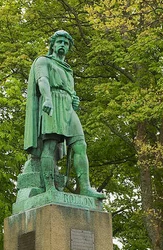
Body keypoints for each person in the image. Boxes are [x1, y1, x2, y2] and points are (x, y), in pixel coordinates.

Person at [24, 30, 105, 199]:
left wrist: (74, 99)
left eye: (66, 43)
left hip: (68, 108)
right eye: (59, 41)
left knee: (80, 145)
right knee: (50, 146)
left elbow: (70, 91)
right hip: (52, 102)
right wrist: (47, 99)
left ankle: (85, 187)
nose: (62, 45)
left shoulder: (68, 69)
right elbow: (43, 80)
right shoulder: (43, 61)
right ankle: (49, 188)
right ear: (52, 45)